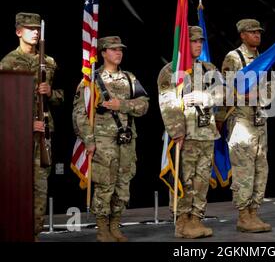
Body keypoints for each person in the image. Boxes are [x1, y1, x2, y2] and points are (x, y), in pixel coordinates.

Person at [73, 36, 149, 242]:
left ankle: (115, 226)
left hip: (126, 141)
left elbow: (144, 105)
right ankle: (102, 228)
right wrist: (88, 140)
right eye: (113, 49)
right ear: (103, 53)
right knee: (105, 186)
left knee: (123, 186)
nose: (118, 53)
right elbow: (79, 114)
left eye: (120, 49)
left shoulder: (130, 78)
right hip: (102, 143)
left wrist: (122, 105)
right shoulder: (91, 80)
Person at [0, 12, 64, 241]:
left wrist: (51, 93)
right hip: (17, 137)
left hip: (43, 134)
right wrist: (26, 124)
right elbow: (4, 104)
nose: (35, 32)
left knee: (40, 188)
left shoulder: (48, 62)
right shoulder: (8, 62)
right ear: (18, 31)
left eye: (37, 28)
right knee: (17, 187)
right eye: (29, 28)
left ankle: (34, 234)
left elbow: (60, 97)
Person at [157, 26, 220, 239]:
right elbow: (166, 103)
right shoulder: (170, 71)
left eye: (200, 41)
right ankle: (182, 222)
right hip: (185, 135)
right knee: (184, 179)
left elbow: (225, 93)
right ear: (184, 43)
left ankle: (196, 219)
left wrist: (206, 98)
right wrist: (177, 132)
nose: (199, 44)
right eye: (194, 41)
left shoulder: (209, 68)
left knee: (202, 179)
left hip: (206, 133)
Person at [216, 18, 272, 233]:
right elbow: (228, 92)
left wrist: (254, 95)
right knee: (244, 170)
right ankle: (243, 215)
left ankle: (254, 212)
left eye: (258, 32)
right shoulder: (234, 58)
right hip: (241, 121)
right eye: (252, 32)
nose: (257, 35)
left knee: (260, 168)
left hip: (259, 120)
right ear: (242, 35)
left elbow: (269, 92)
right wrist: (253, 95)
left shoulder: (263, 58)